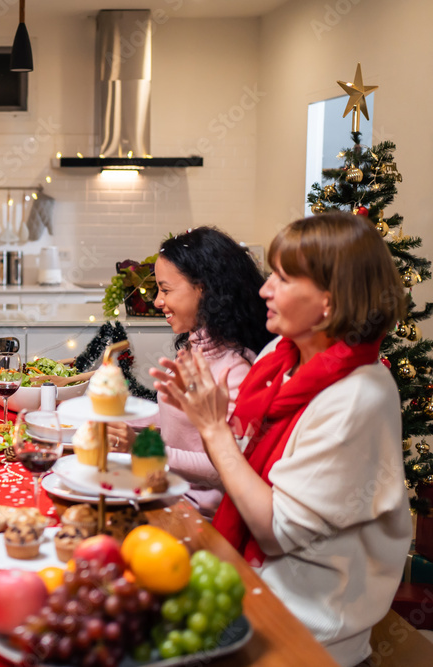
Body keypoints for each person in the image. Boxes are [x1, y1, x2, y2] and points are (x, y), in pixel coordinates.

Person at [157, 212, 411, 665]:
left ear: (331, 301)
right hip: (250, 582)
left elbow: (276, 532)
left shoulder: (358, 396)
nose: (264, 289)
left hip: (307, 626)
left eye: (284, 278)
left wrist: (214, 430)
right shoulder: (281, 354)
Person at [106, 227, 273, 517]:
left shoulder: (235, 369)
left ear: (204, 289)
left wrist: (144, 449)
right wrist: (122, 424)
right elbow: (177, 420)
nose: (157, 301)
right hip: (168, 491)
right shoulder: (198, 348)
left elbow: (224, 466)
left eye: (166, 290)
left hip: (197, 516)